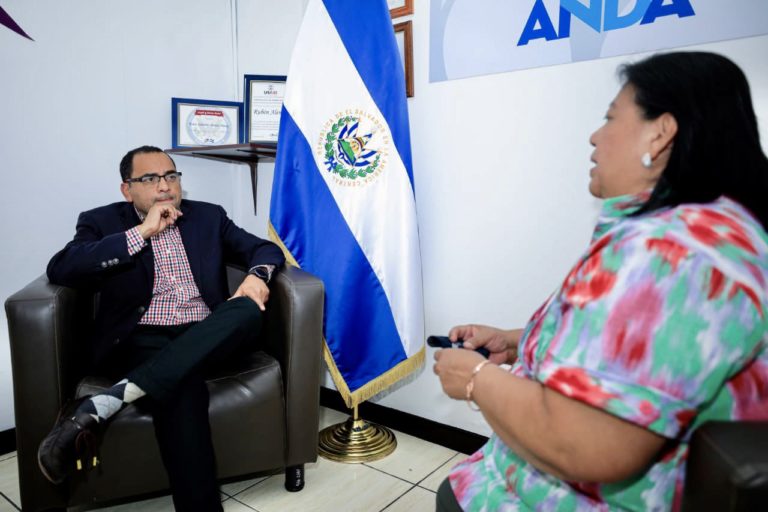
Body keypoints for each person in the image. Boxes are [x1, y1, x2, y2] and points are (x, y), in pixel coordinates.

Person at [433, 51, 768, 511]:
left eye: (611, 117)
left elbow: (590, 444)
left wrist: (475, 378)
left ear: (661, 131)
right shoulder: (702, 231)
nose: (595, 136)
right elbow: (626, 358)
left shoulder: (675, 255)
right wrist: (514, 343)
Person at [37, 145, 285, 511]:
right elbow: (61, 267)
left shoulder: (207, 216)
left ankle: (108, 401)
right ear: (127, 189)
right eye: (150, 179)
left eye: (171, 176)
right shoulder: (100, 221)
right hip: (145, 337)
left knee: (248, 308)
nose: (165, 186)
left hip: (210, 330)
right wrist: (141, 232)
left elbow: (264, 249)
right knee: (180, 386)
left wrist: (257, 276)